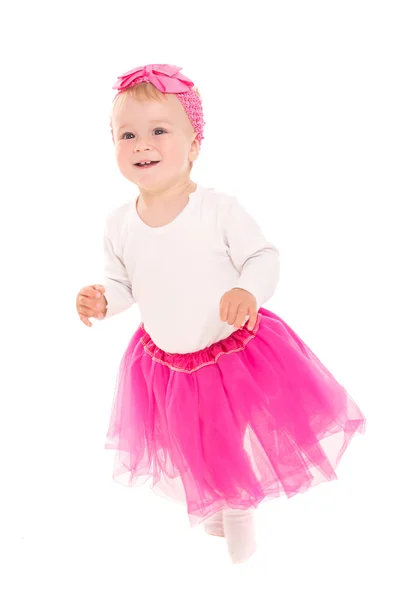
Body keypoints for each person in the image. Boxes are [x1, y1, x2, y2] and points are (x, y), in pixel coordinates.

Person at [75, 64, 366, 565]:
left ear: (194, 144)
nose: (142, 144)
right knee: (191, 438)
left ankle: (240, 537)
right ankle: (212, 507)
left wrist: (247, 291)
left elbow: (263, 256)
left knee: (228, 439)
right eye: (127, 134)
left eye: (158, 131)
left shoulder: (216, 208)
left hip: (231, 352)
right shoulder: (119, 223)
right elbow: (123, 284)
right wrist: (105, 299)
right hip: (166, 360)